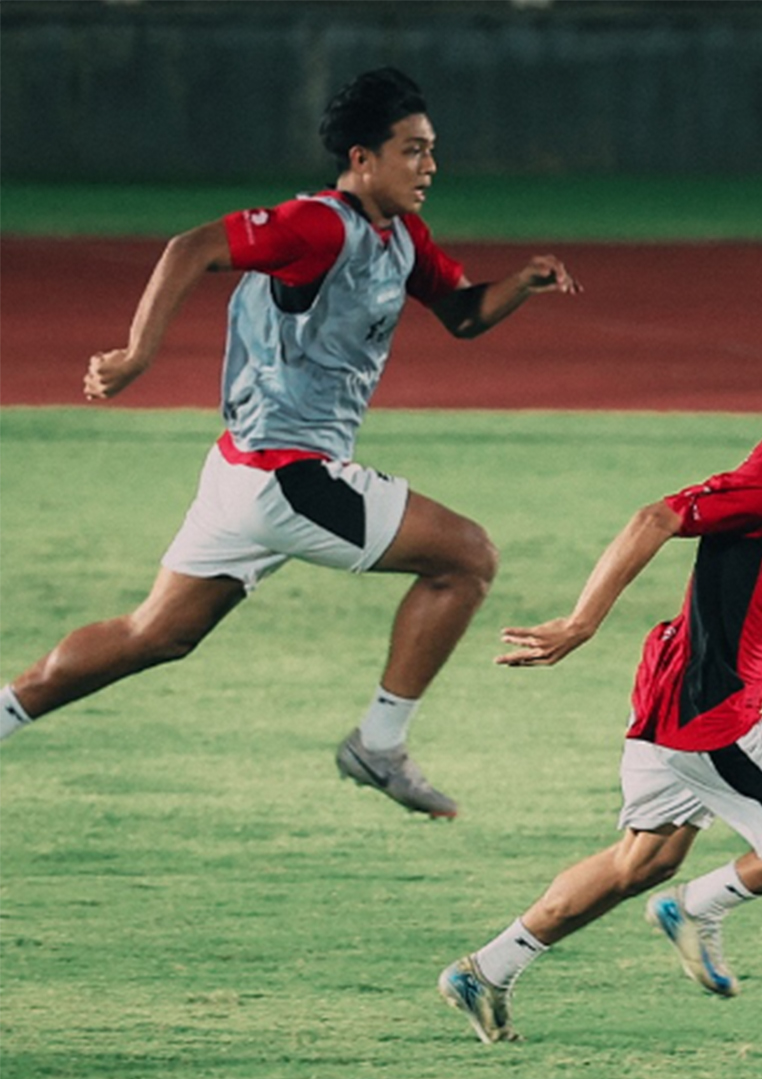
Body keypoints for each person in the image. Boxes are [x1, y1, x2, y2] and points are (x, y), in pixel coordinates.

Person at [0, 67, 579, 818]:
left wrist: (523, 282)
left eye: (431, 149)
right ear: (361, 158)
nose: (430, 165)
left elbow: (462, 314)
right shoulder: (317, 224)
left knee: (156, 634)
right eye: (413, 150)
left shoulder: (399, 236)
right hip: (285, 472)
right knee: (467, 557)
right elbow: (192, 246)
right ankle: (379, 743)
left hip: (244, 473)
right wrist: (137, 353)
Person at [437, 313, 762, 1043]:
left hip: (676, 693)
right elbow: (656, 516)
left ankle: (486, 970)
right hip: (710, 712)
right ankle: (702, 906)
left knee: (641, 860)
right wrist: (582, 621)